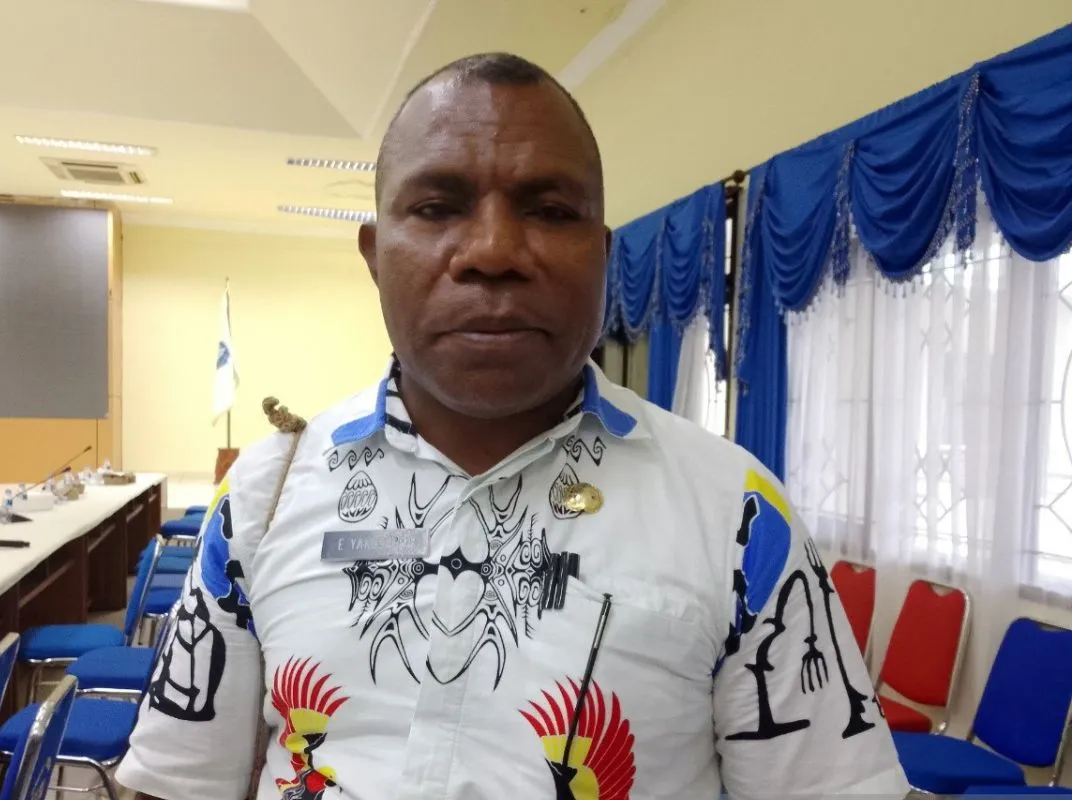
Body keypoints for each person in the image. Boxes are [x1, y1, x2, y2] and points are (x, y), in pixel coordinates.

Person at [117, 52, 910, 800]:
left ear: (602, 255)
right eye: (437, 208)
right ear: (374, 255)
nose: (493, 252)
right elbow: (178, 780)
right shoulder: (265, 496)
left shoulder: (734, 513)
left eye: (550, 211)